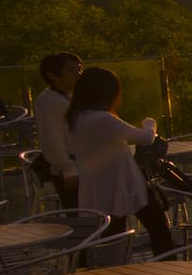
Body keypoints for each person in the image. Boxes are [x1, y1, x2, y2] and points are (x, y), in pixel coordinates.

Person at [65, 65, 174, 255]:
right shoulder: (103, 119)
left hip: (98, 184)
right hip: (125, 184)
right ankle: (172, 273)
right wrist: (150, 123)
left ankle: (116, 274)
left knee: (112, 235)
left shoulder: (75, 118)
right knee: (159, 230)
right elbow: (145, 137)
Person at [29, 51, 81, 210]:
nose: (78, 74)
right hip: (69, 167)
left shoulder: (66, 97)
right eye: (71, 71)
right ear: (52, 75)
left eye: (79, 69)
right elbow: (51, 139)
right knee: (80, 214)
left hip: (79, 163)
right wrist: (68, 168)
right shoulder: (49, 101)